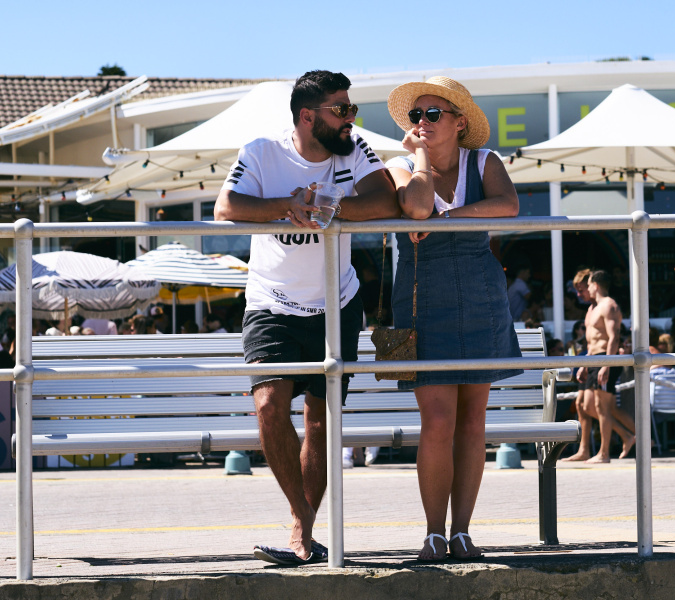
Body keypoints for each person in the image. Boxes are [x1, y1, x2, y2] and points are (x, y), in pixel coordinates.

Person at [214, 69, 399, 566]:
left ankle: (302, 534)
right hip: (271, 304)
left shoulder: (354, 150)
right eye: (340, 110)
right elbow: (226, 207)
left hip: (337, 304)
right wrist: (287, 206)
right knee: (269, 407)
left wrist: (329, 207)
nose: (350, 118)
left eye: (351, 108)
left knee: (320, 420)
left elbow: (386, 200)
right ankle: (303, 518)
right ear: (307, 116)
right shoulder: (261, 152)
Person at [384, 76, 521, 562]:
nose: (422, 122)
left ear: (460, 123)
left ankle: (461, 532)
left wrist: (450, 218)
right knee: (438, 421)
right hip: (419, 299)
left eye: (432, 114)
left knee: (473, 422)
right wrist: (420, 155)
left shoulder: (484, 161)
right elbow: (418, 206)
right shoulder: (398, 166)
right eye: (415, 116)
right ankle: (433, 533)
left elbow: (509, 205)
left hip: (481, 294)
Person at [567, 270, 636, 464]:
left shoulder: (609, 306)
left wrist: (607, 363)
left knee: (602, 407)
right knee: (584, 406)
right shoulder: (593, 308)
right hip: (593, 359)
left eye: (588, 285)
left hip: (605, 358)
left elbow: (614, 337)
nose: (586, 290)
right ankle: (590, 448)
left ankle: (604, 453)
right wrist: (585, 364)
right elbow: (591, 341)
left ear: (595, 285)